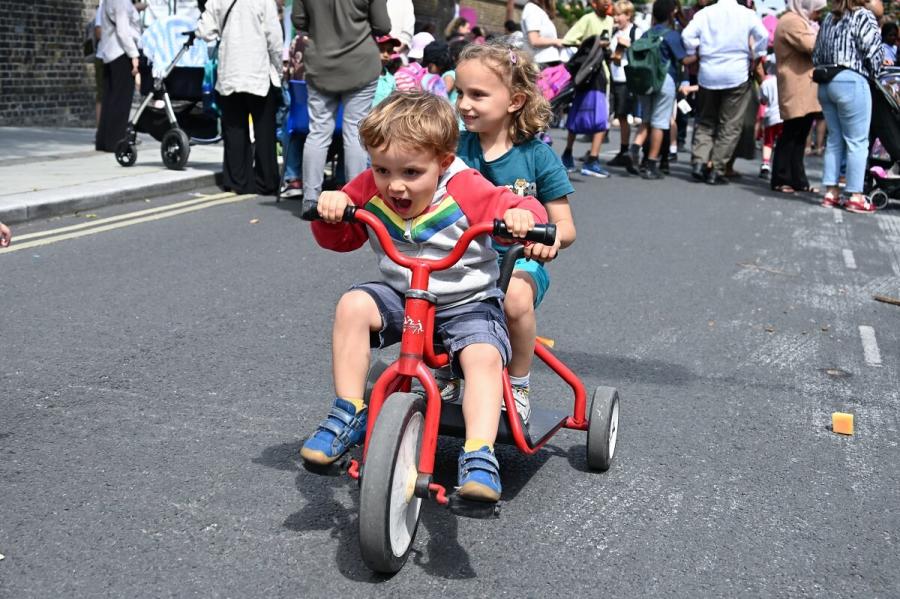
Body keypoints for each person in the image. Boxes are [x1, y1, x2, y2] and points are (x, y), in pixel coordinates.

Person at [299, 91, 549, 502]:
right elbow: (341, 239)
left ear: (444, 162)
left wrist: (524, 218)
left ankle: (480, 454)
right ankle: (348, 411)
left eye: (411, 173)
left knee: (483, 356)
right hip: (404, 296)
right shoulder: (372, 186)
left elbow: (515, 205)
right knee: (353, 305)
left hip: (467, 303)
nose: (394, 185)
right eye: (381, 169)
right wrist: (335, 206)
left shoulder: (466, 186)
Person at [454, 43, 576, 422]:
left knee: (514, 300)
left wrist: (548, 240)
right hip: (466, 257)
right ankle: (447, 372)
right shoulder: (453, 149)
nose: (463, 104)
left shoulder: (537, 156)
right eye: (460, 92)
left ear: (514, 100)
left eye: (477, 94)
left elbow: (565, 225)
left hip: (518, 260)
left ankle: (518, 382)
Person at [292, 0, 391, 203]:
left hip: (320, 65)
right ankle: (355, 200)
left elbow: (299, 22)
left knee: (318, 132)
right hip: (360, 65)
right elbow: (383, 26)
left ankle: (310, 199)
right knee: (355, 133)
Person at [198, 0, 282, 195]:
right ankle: (266, 181)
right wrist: (277, 67)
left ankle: (237, 181)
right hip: (258, 71)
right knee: (264, 129)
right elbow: (274, 38)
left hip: (230, 71)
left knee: (234, 128)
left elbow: (205, 31)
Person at [681, 0, 768, 185]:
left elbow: (687, 35)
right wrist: (756, 53)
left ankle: (699, 161)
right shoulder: (746, 14)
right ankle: (717, 169)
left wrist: (695, 49)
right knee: (730, 124)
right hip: (735, 74)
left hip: (708, 73)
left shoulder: (705, 13)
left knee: (706, 120)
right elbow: (763, 35)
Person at [813, 0, 884, 212]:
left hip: (826, 81)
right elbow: (872, 50)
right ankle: (855, 195)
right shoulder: (862, 15)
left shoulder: (829, 17)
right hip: (851, 80)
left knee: (834, 139)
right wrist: (877, 71)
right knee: (857, 140)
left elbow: (816, 54)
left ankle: (831, 192)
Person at [770, 0, 825, 194]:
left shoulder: (800, 21)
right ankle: (780, 177)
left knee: (801, 135)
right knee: (791, 133)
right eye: (816, 10)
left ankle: (798, 180)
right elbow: (812, 45)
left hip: (804, 85)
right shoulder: (792, 22)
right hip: (796, 85)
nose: (818, 15)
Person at [628, 0, 686, 179]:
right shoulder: (672, 35)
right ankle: (651, 164)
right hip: (664, 80)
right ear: (671, 12)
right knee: (660, 123)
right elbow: (683, 59)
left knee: (646, 119)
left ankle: (635, 148)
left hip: (646, 81)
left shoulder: (647, 33)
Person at [559, 0, 615, 178]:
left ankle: (588, 158)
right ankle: (575, 156)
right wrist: (591, 46)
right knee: (586, 114)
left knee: (599, 117)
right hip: (587, 73)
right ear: (593, 3)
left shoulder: (610, 21)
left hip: (602, 73)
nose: (607, 3)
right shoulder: (587, 19)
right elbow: (568, 40)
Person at [95, 0, 144, 152]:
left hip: (109, 53)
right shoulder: (121, 2)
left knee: (109, 99)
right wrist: (134, 55)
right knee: (121, 101)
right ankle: (116, 142)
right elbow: (123, 32)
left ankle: (103, 140)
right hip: (122, 53)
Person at [606, 0, 643, 171]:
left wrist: (631, 45)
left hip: (627, 80)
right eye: (615, 14)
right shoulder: (615, 32)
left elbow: (644, 51)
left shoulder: (636, 31)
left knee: (623, 115)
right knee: (618, 116)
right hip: (614, 78)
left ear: (628, 15)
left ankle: (626, 150)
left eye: (619, 14)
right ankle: (623, 150)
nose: (616, 18)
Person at [281, 33, 306, 198]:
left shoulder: (298, 40)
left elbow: (288, 76)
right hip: (338, 119)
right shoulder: (344, 34)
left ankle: (293, 178)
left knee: (289, 121)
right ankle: (342, 179)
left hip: (304, 116)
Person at [521, 0, 566, 68]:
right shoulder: (532, 9)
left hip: (548, 63)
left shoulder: (539, 10)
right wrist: (557, 41)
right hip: (541, 63)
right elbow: (534, 40)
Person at [758, 57, 783, 178]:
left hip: (770, 115)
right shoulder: (786, 80)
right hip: (784, 116)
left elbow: (763, 100)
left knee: (768, 141)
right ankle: (781, 165)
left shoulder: (766, 82)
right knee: (782, 142)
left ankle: (765, 163)